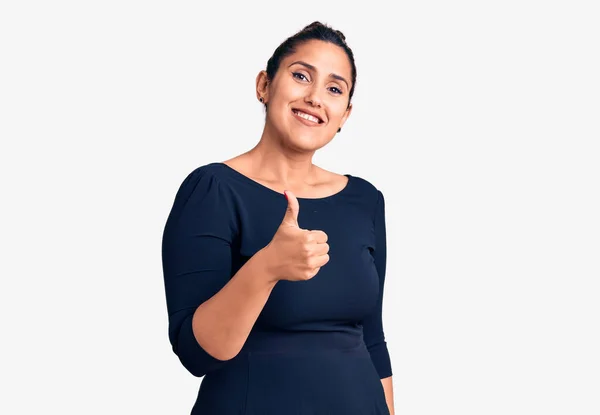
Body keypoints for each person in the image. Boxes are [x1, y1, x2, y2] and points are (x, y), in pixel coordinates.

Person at [161, 21, 395, 414]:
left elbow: (372, 337)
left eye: (334, 89)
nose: (315, 97)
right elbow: (196, 355)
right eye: (301, 75)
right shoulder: (212, 189)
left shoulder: (365, 200)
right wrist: (267, 267)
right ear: (264, 86)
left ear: (345, 115)